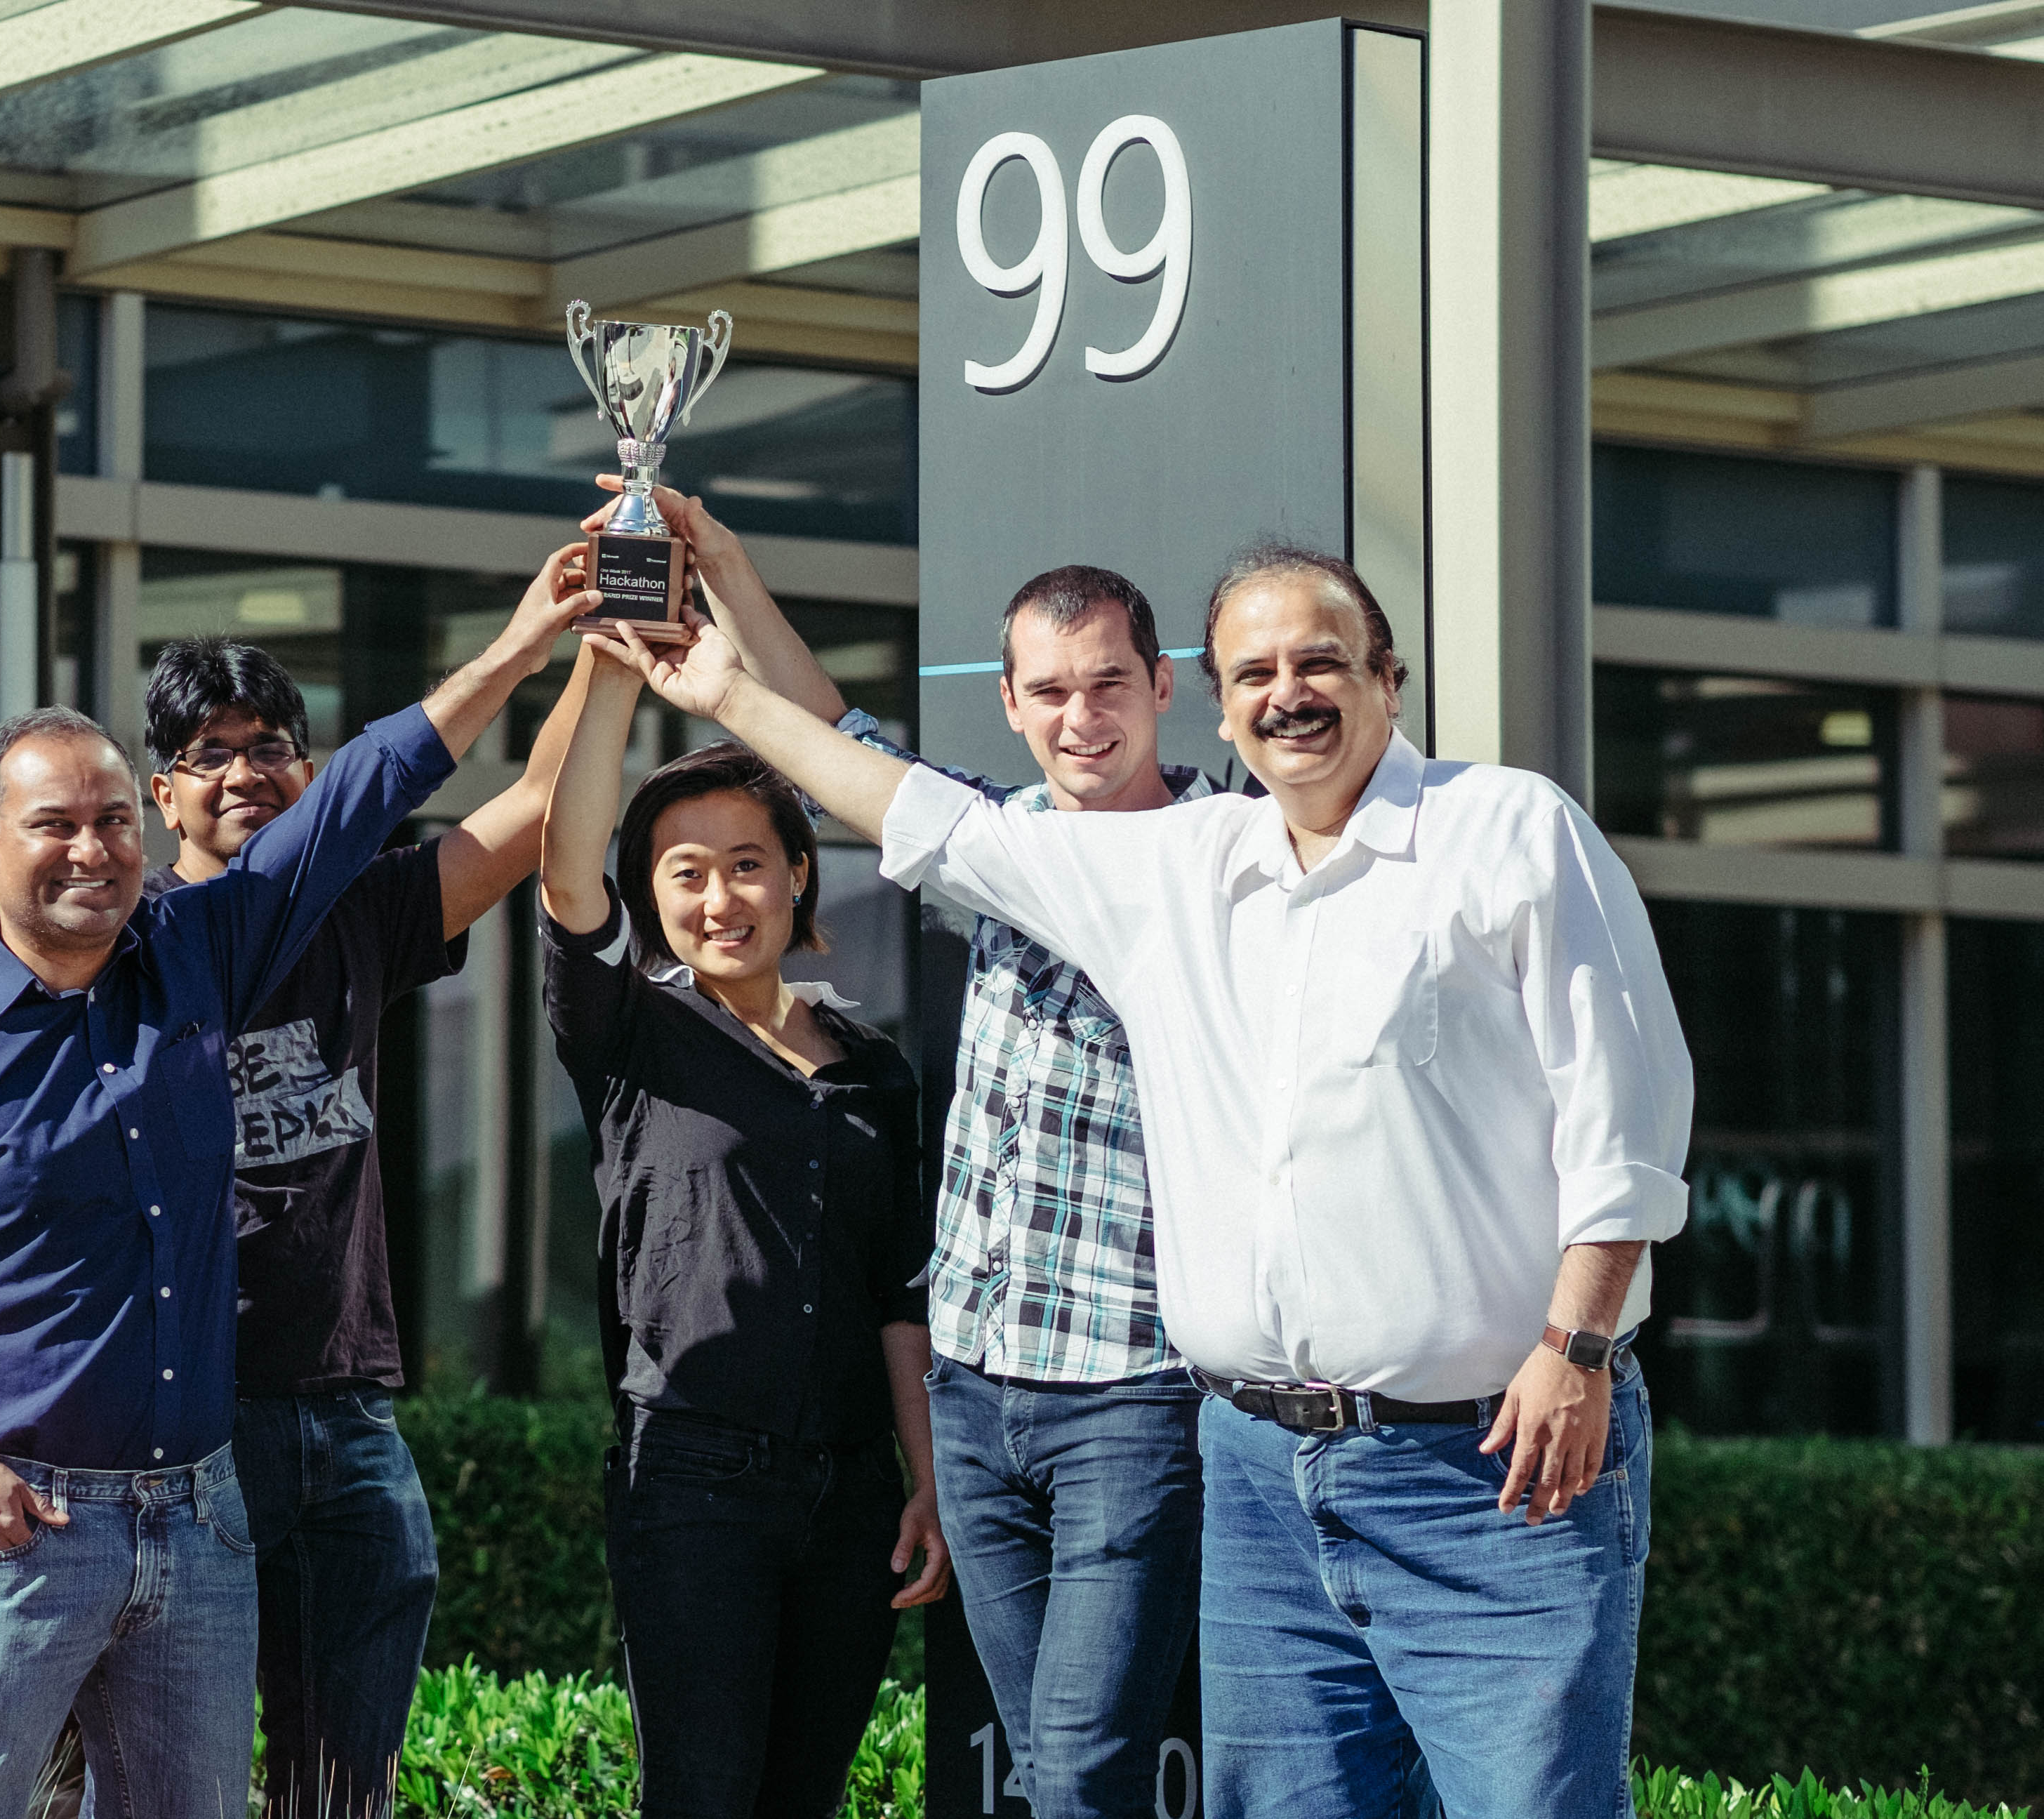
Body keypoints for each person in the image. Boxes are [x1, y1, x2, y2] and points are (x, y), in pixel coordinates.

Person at [594, 541, 1694, 1819]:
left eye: (1320, 662)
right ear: (1221, 697)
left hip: (1480, 1470)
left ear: (1389, 679)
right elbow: (907, 804)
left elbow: (1627, 1105)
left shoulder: (1503, 828)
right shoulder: (1183, 868)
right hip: (1250, 1469)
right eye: (1257, 671)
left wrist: (1578, 1339)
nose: (1287, 693)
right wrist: (723, 685)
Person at [0, 548, 584, 1819]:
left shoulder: (195, 955)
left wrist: (528, 641)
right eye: (55, 825)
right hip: (27, 1528)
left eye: (109, 822)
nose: (92, 853)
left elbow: (360, 794)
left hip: (200, 1516)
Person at [579, 482, 1209, 1818]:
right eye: (1048, 692)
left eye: (1108, 686)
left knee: (1090, 1763)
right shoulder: (998, 840)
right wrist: (730, 566)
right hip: (983, 1390)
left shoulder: (1220, 859)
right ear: (1011, 702)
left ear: (1164, 686)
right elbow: (840, 744)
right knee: (1045, 1770)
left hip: (1131, 1383)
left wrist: (725, 687)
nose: (1080, 718)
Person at [140, 625, 594, 1815]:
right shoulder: (137, 947)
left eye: (273, 748)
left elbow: (544, 805)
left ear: (313, 769)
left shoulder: (364, 913)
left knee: (344, 1791)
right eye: (209, 753)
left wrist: (608, 646)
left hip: (347, 1420)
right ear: (163, 794)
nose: (245, 773)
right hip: (190, 1430)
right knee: (164, 1780)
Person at [536, 630, 950, 1819]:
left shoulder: (873, 1071)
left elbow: (894, 1294)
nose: (721, 899)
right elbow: (568, 873)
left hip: (851, 1492)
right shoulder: (629, 1030)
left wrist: (922, 1482)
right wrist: (614, 667)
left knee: (800, 1801)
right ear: (650, 895)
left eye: (748, 865)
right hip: (692, 1475)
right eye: (684, 873)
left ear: (798, 876)